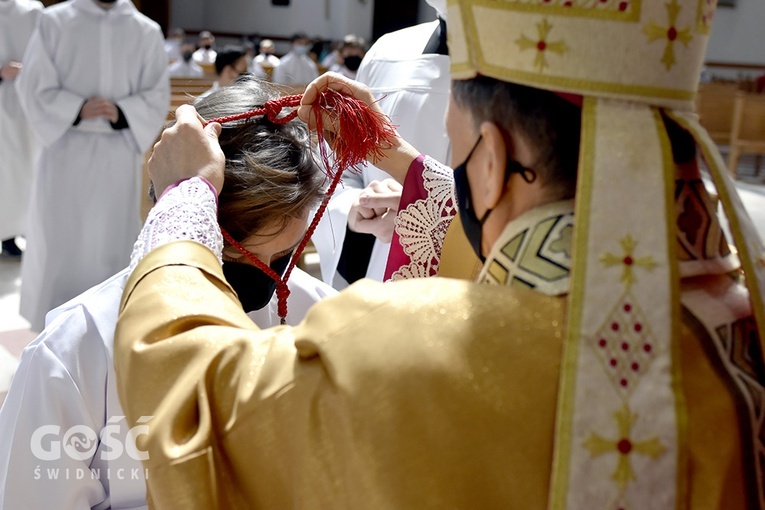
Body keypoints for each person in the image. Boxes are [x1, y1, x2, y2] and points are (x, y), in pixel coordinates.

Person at [114, 0, 765, 507]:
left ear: (493, 159)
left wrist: (185, 196)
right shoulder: (741, 317)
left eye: (454, 151)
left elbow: (189, 401)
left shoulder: (404, 350)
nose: (445, 169)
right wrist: (392, 152)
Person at [0, 75, 337, 509]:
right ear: (185, 227)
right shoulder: (74, 352)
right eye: (240, 266)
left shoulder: (318, 313)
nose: (270, 287)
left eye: (284, 257)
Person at [15, 0, 170, 333]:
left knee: (111, 237)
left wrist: (123, 112)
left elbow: (157, 93)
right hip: (65, 151)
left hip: (117, 153)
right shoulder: (55, 21)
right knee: (61, 238)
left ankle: (105, 322)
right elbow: (31, 84)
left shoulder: (145, 30)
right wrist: (76, 108)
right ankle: (52, 324)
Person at [312, 1, 451, 288]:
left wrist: (427, 212)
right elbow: (339, 171)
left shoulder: (542, 57)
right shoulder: (387, 51)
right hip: (375, 269)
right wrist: (356, 209)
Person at [0, 0, 42, 259]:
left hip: (26, 101)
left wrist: (30, 69)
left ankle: (20, 230)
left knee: (25, 167)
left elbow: (48, 54)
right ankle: (8, 233)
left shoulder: (32, 10)